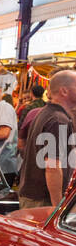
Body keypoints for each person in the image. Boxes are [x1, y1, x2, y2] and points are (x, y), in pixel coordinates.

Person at [17, 69, 76, 208]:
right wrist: (57, 208)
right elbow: (52, 167)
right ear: (64, 91)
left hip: (35, 197)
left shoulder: (46, 113)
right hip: (44, 200)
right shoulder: (58, 120)